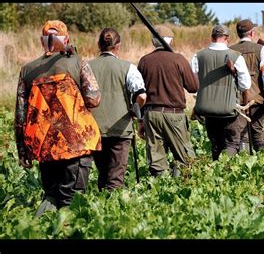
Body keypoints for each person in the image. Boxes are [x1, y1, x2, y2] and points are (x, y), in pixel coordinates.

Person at [14, 20, 101, 216]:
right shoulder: (78, 62)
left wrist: (22, 150)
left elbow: (20, 114)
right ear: (67, 39)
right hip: (75, 144)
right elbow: (94, 99)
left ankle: (37, 228)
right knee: (73, 200)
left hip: (45, 146)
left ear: (41, 41)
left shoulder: (27, 70)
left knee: (51, 195)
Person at [89, 28, 146, 190]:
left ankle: (100, 209)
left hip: (95, 129)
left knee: (103, 174)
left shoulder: (86, 67)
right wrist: (135, 110)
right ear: (118, 46)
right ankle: (113, 211)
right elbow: (141, 96)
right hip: (120, 130)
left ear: (99, 44)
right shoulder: (128, 68)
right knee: (115, 178)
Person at [138, 25, 198, 177]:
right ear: (171, 41)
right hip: (174, 115)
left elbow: (138, 92)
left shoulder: (144, 61)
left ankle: (160, 189)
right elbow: (193, 87)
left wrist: (140, 120)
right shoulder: (178, 59)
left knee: (156, 160)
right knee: (185, 158)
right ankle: (180, 188)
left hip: (151, 115)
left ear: (153, 42)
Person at [191, 25, 251, 160]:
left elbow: (193, 84)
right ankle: (226, 171)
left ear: (212, 37)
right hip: (228, 109)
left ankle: (215, 173)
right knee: (231, 143)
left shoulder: (198, 56)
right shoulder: (236, 56)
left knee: (215, 144)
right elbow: (245, 85)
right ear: (227, 38)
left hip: (206, 110)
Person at [229, 19, 264, 152]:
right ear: (252, 33)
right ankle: (261, 159)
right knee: (257, 129)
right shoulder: (261, 49)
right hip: (257, 97)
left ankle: (241, 161)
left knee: (239, 132)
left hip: (236, 99)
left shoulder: (230, 50)